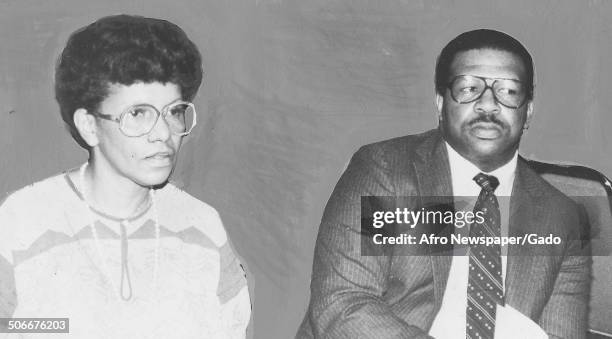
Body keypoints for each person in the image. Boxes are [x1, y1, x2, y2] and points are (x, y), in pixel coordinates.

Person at [297, 29, 590, 339]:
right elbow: (343, 304)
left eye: (508, 91)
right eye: (468, 88)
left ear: (528, 112)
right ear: (439, 104)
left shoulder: (562, 219)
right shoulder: (385, 171)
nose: (487, 105)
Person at [0, 15, 250, 338]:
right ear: (89, 126)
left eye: (174, 112)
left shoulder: (203, 227)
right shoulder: (20, 223)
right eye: (137, 114)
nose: (163, 133)